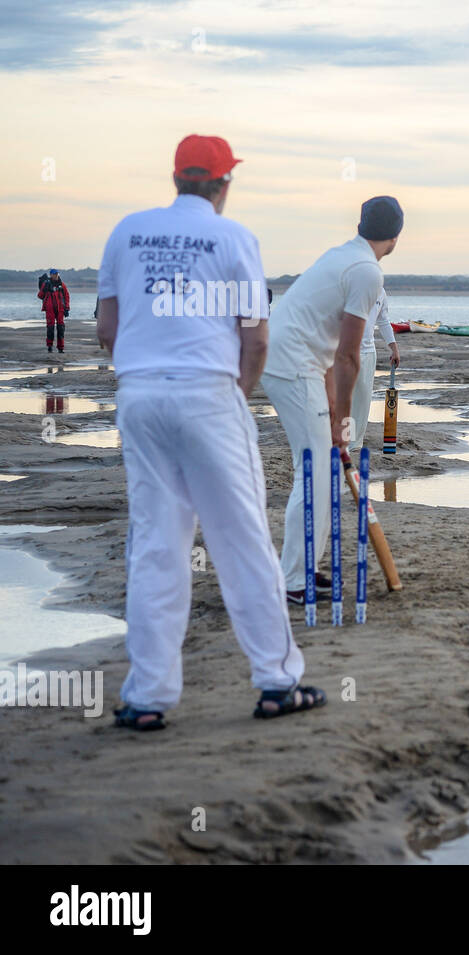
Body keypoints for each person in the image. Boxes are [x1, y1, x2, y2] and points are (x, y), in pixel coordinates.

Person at [95, 133, 321, 729]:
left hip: (141, 395)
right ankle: (277, 682)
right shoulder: (233, 237)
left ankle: (147, 696)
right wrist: (233, 396)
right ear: (222, 184)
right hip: (207, 393)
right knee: (241, 538)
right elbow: (257, 336)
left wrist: (145, 376)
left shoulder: (127, 231)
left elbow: (108, 327)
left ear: (177, 179)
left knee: (156, 543)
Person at [262, 195, 402, 603]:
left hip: (294, 359)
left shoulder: (342, 256)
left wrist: (333, 416)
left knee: (319, 470)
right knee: (316, 470)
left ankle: (303, 570)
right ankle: (293, 582)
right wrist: (342, 422)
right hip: (291, 363)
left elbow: (326, 346)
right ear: (396, 236)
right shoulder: (366, 272)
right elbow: (348, 356)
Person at [346, 286, 399, 454]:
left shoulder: (380, 292)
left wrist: (394, 348)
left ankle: (354, 444)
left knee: (362, 400)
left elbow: (383, 320)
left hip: (368, 352)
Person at [38, 267, 70, 353]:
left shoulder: (62, 285)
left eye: (57, 274)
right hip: (50, 310)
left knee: (61, 328)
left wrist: (67, 308)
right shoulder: (46, 284)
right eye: (54, 274)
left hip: (60, 310)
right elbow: (40, 296)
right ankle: (50, 346)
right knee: (50, 328)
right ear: (51, 275)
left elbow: (66, 296)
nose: (56, 275)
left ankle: (61, 348)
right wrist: (44, 289)